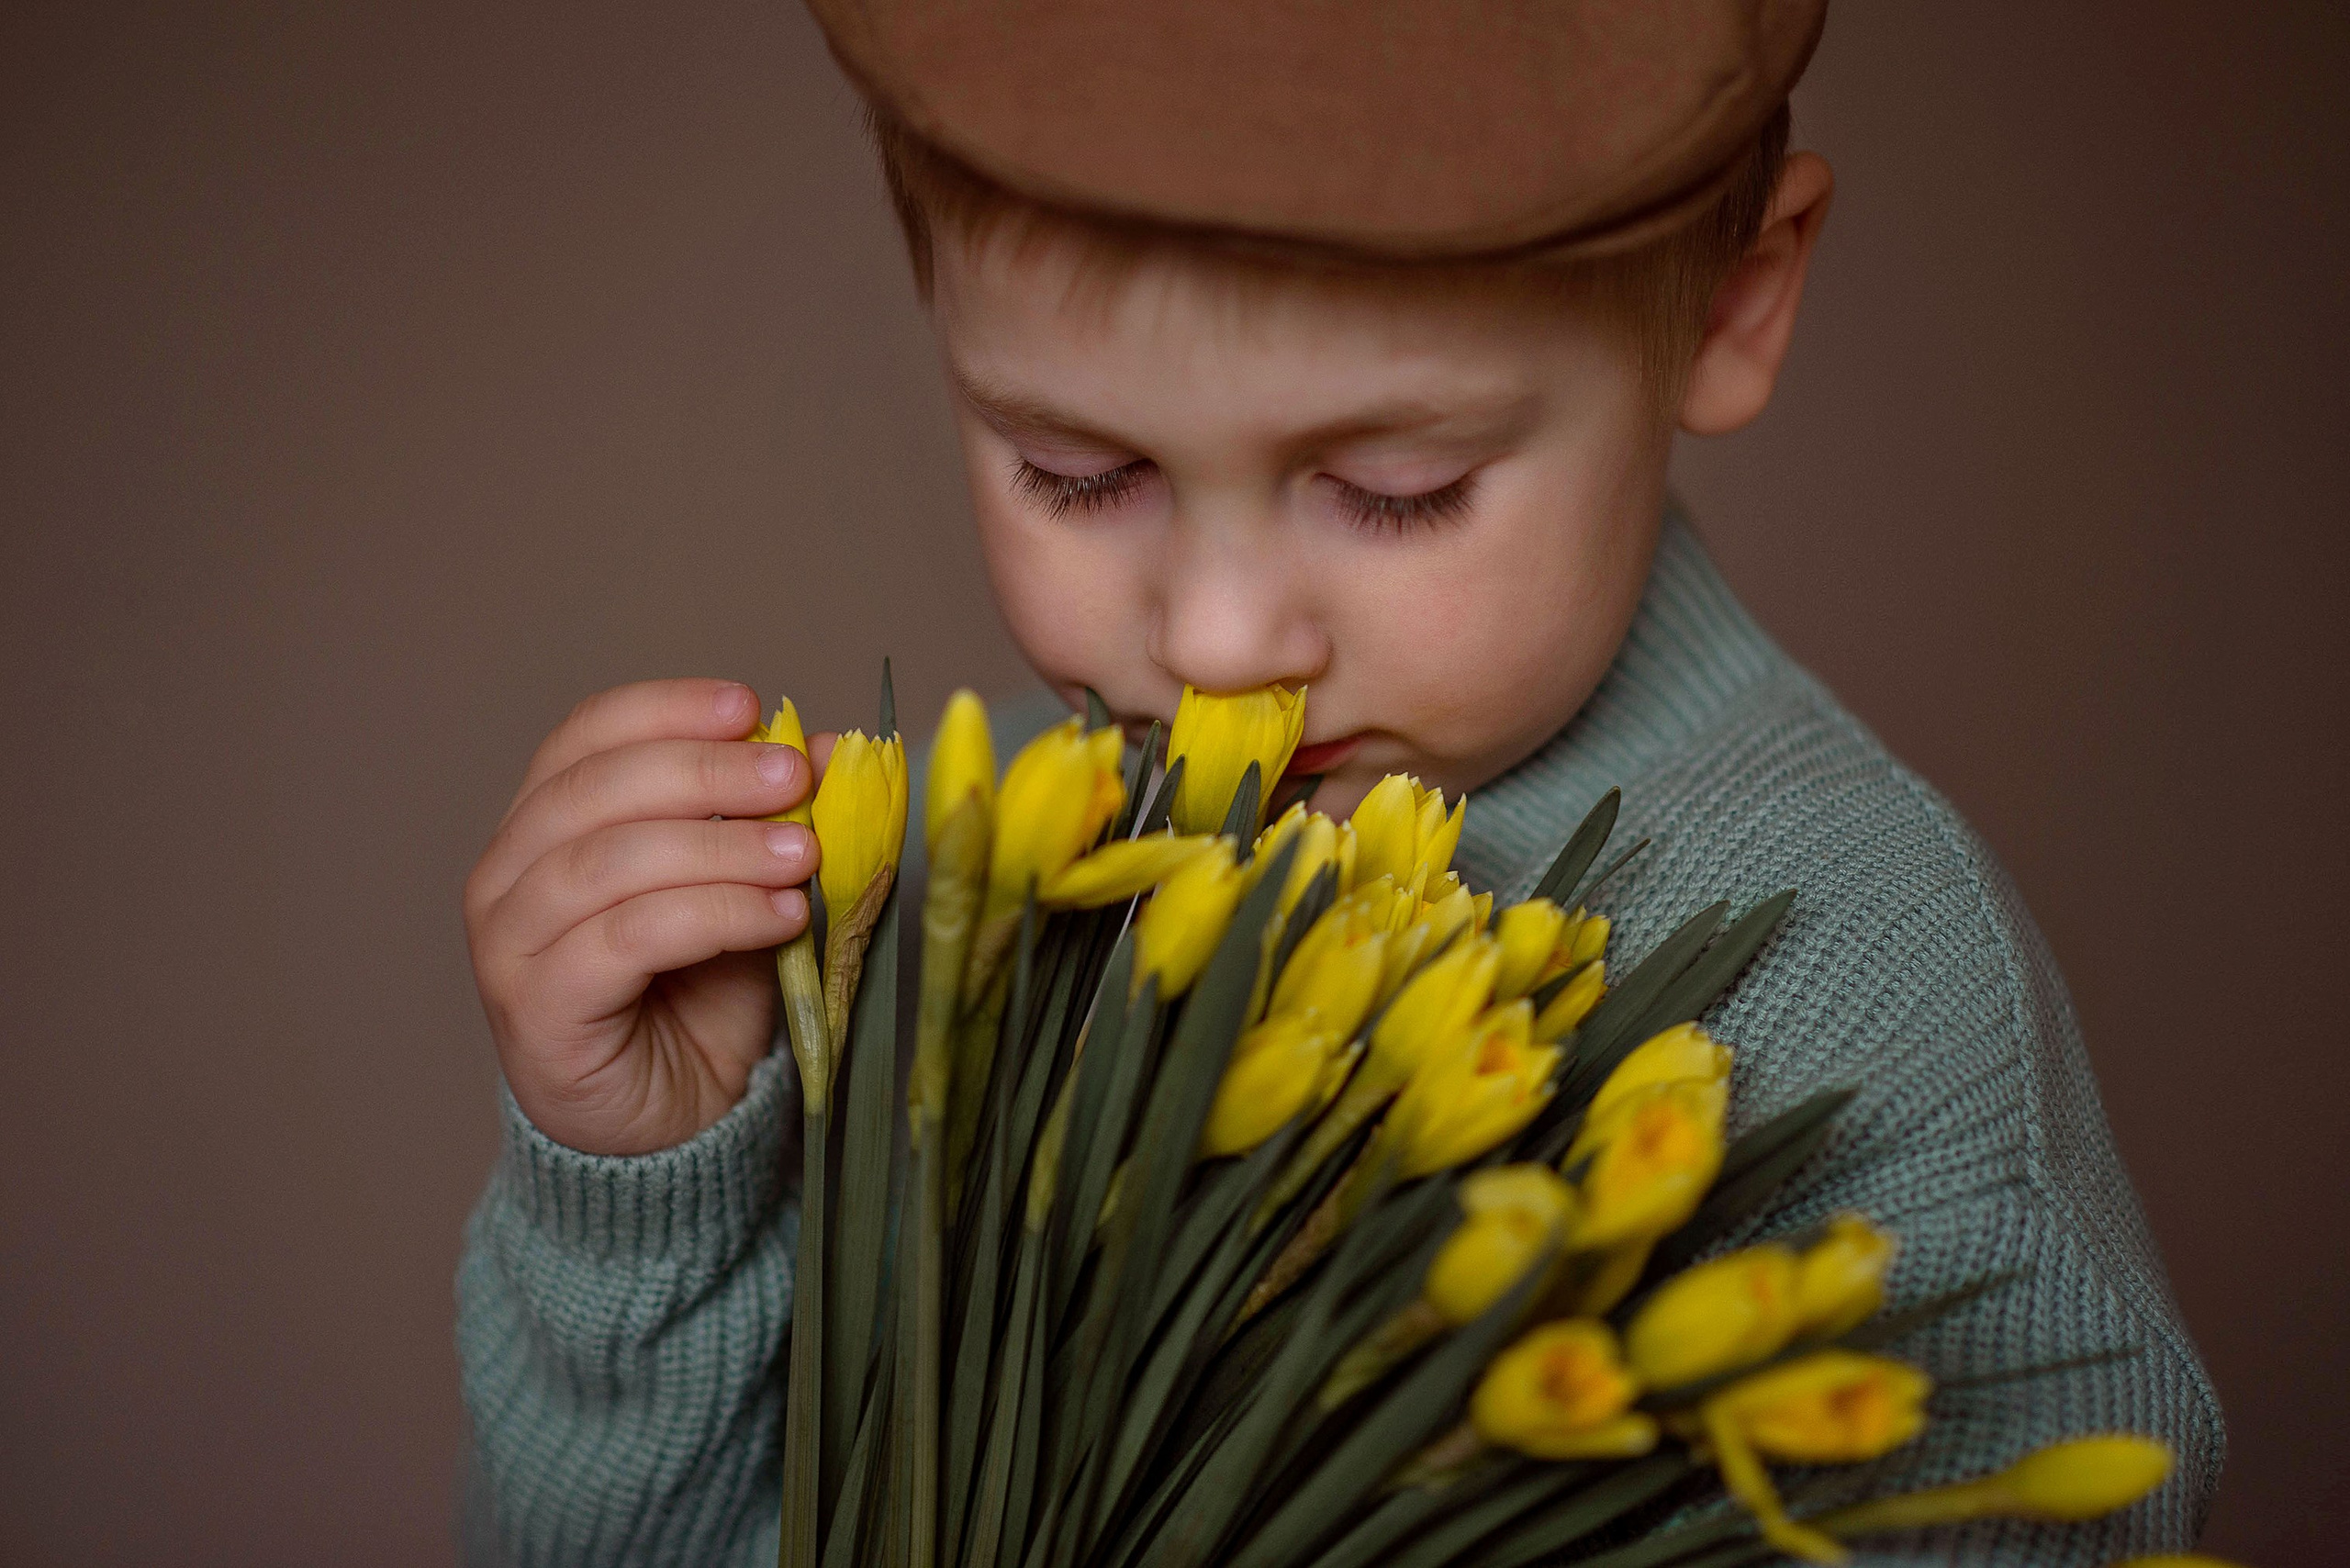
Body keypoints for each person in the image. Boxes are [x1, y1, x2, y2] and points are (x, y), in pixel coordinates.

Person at [453, 4, 2221, 1562]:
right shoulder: (1019, 854)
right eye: (1078, 471)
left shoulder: (1872, 981)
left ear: (1736, 303)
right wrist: (649, 1197)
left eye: (1394, 487)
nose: (1219, 643)